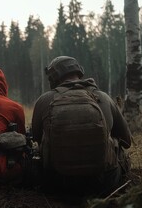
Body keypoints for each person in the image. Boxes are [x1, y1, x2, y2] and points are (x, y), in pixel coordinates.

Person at [31, 56, 132, 196]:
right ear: (79, 72)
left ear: (53, 78)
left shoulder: (44, 100)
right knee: (118, 147)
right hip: (103, 185)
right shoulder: (103, 97)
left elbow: (35, 138)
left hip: (57, 185)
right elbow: (127, 141)